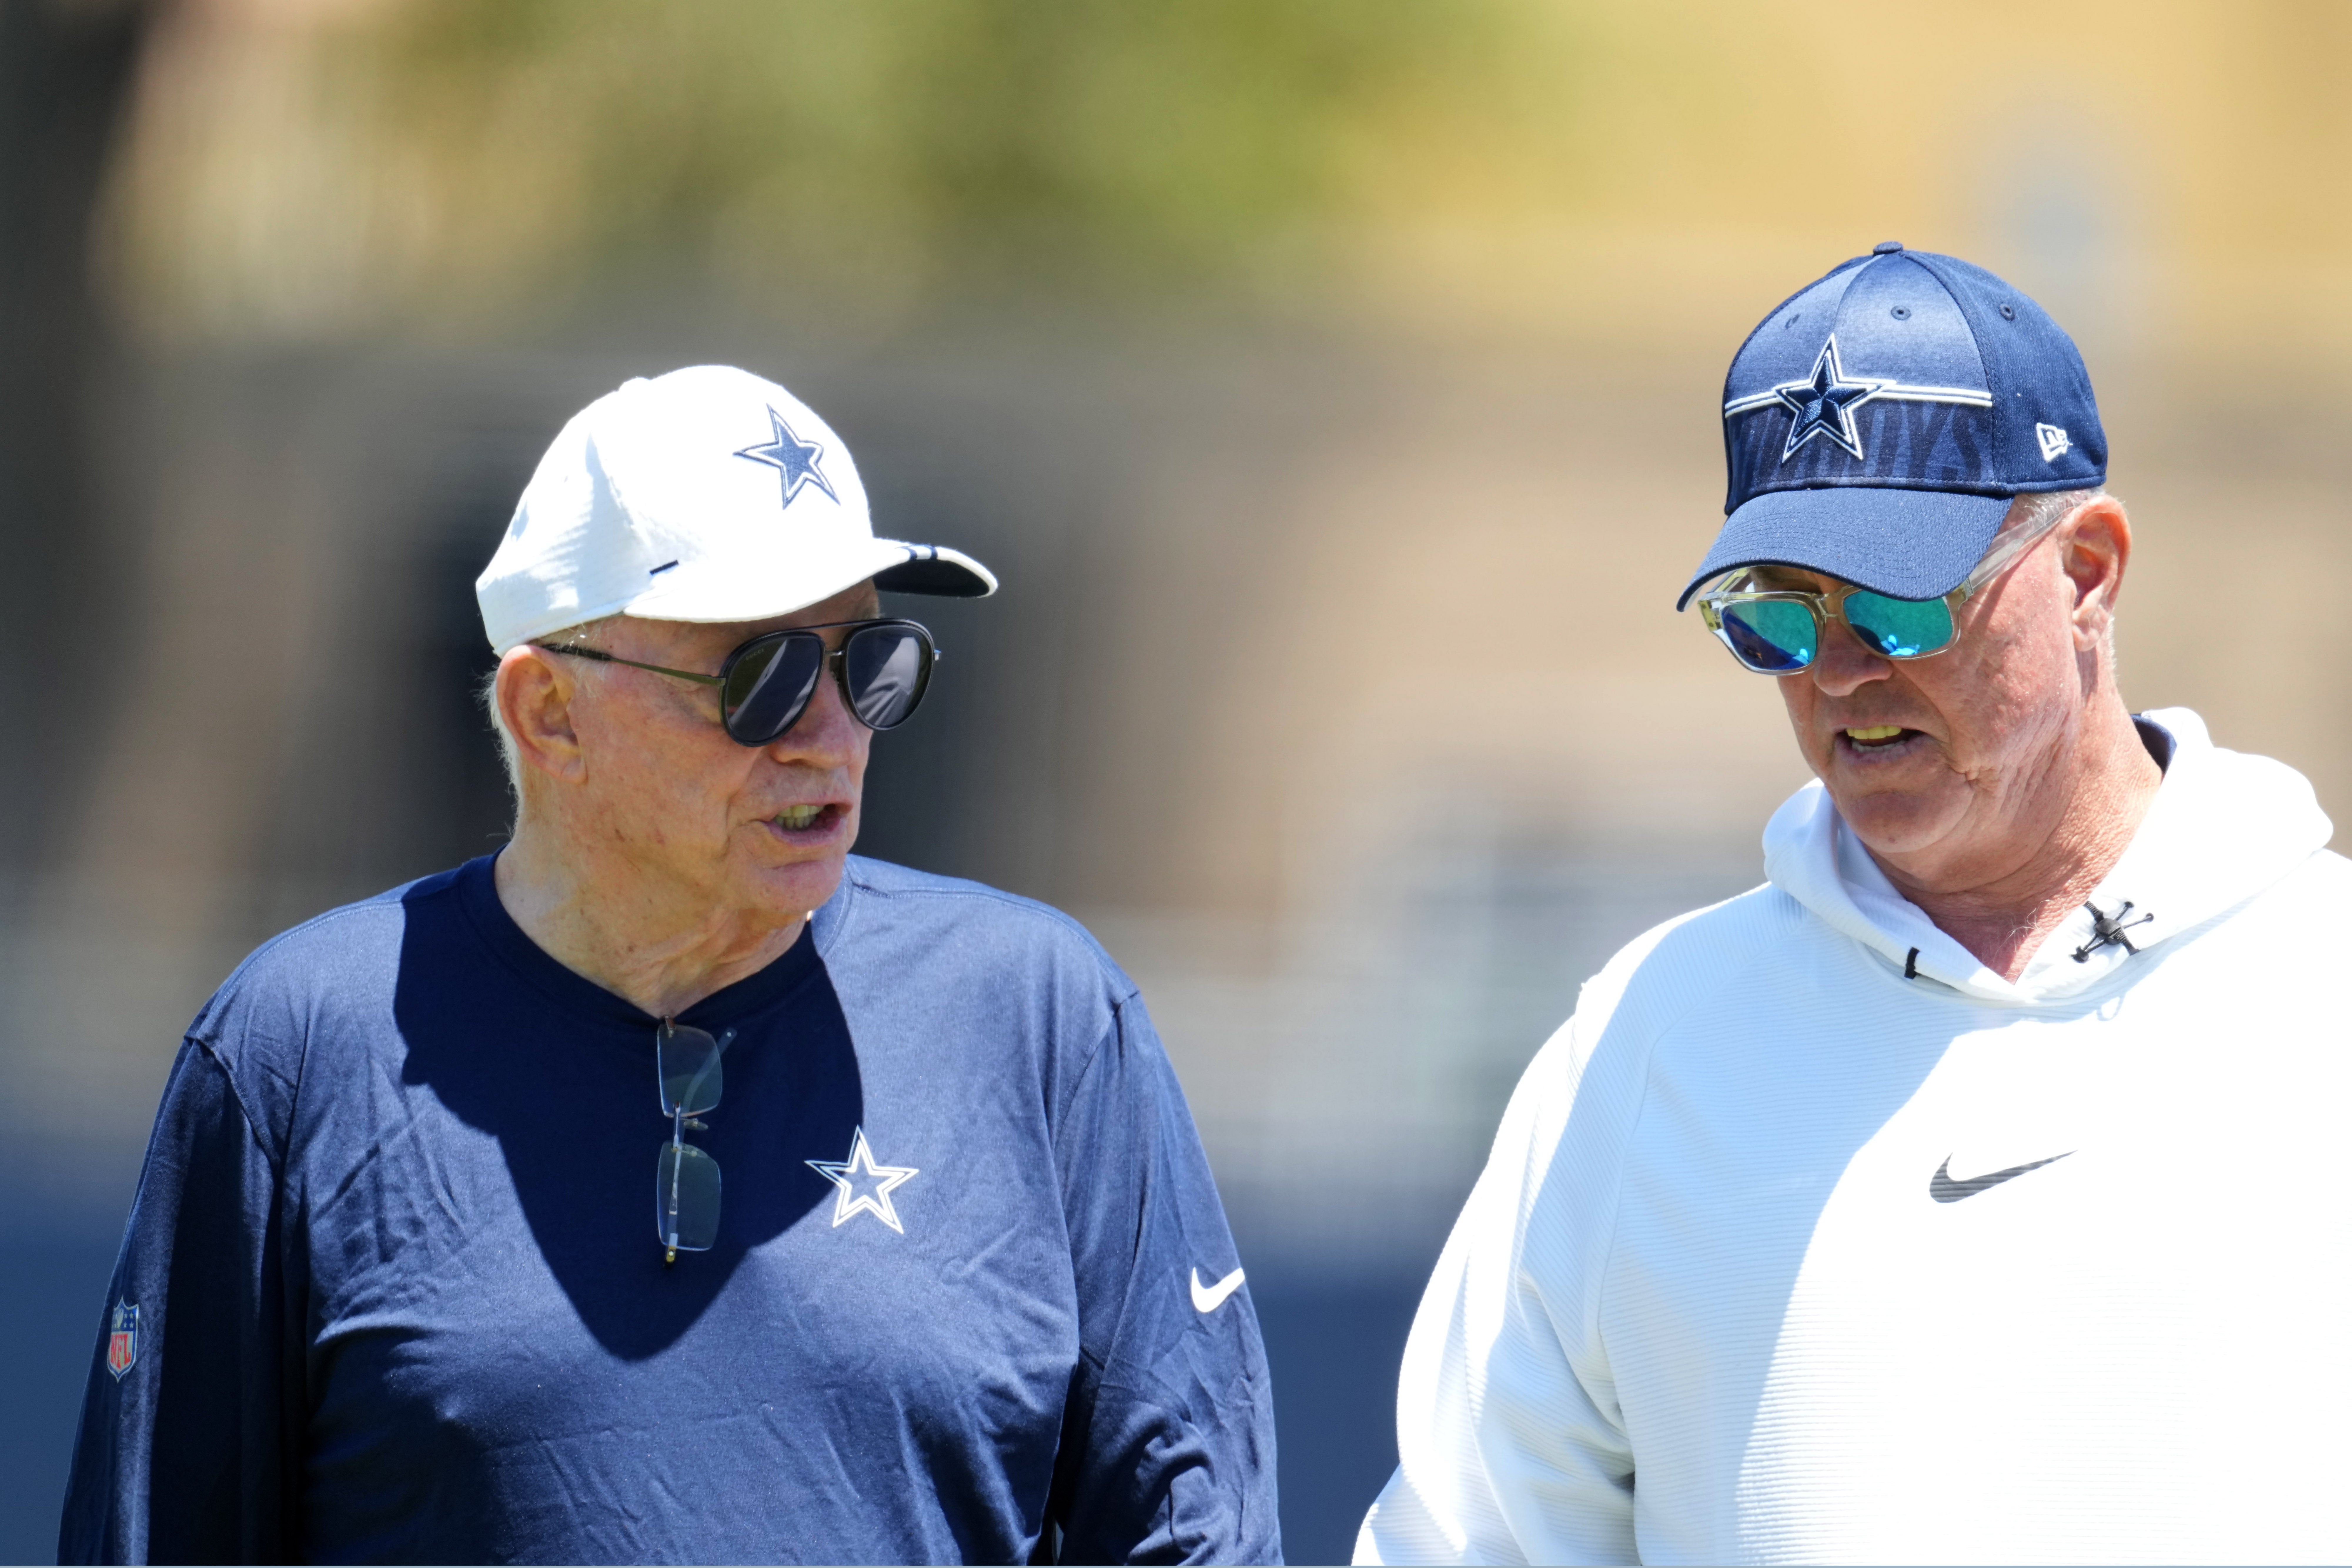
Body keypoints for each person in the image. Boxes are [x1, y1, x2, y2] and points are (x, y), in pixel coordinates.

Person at [59, 365, 1280, 1565]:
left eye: (868, 663)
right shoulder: (296, 1049)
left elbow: (1196, 1537)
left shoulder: (1042, 1018)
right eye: (763, 676)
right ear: (550, 713)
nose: (832, 735)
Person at [1356, 245, 2352, 1563]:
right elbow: (1469, 1537)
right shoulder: (1645, 1040)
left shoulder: (2322, 983)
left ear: (2087, 571)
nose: (1837, 673)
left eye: (1896, 602)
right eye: (1775, 615)